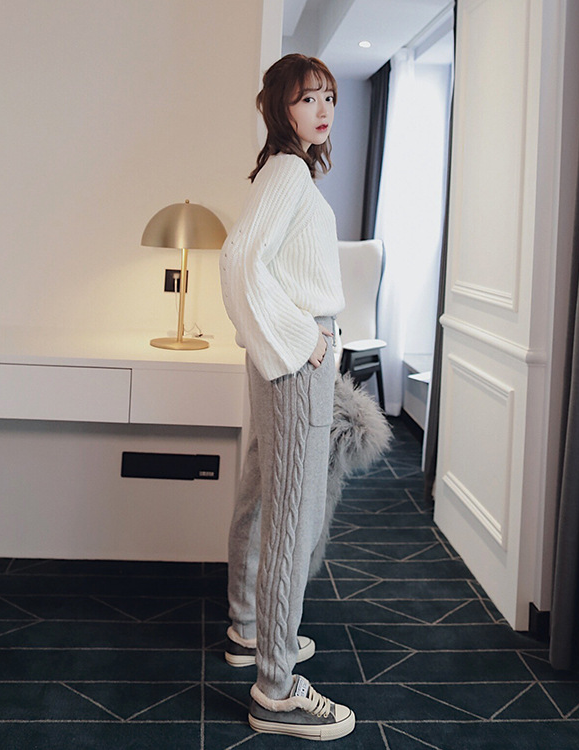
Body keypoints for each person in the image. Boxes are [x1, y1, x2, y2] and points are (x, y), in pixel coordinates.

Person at [219, 54, 355, 741]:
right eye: (307, 99)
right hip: (296, 359)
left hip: (282, 355)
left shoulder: (284, 170)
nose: (323, 109)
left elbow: (257, 264)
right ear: (282, 107)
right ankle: (275, 687)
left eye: (328, 96)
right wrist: (305, 340)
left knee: (260, 489)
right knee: (291, 514)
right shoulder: (290, 173)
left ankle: (250, 628)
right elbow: (238, 259)